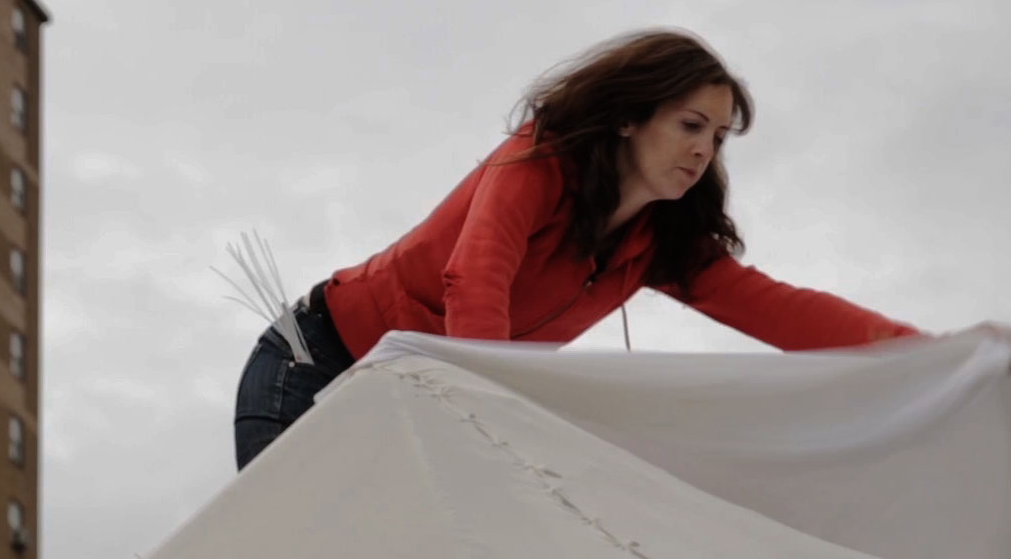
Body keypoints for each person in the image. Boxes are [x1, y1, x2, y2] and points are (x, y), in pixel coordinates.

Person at [233, 28, 924, 471]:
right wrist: (488, 411)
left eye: (716, 137)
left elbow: (782, 312)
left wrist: (927, 355)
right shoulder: (537, 161)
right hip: (318, 360)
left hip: (425, 396)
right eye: (690, 124)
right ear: (629, 117)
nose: (703, 150)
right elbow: (476, 280)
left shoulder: (658, 242)